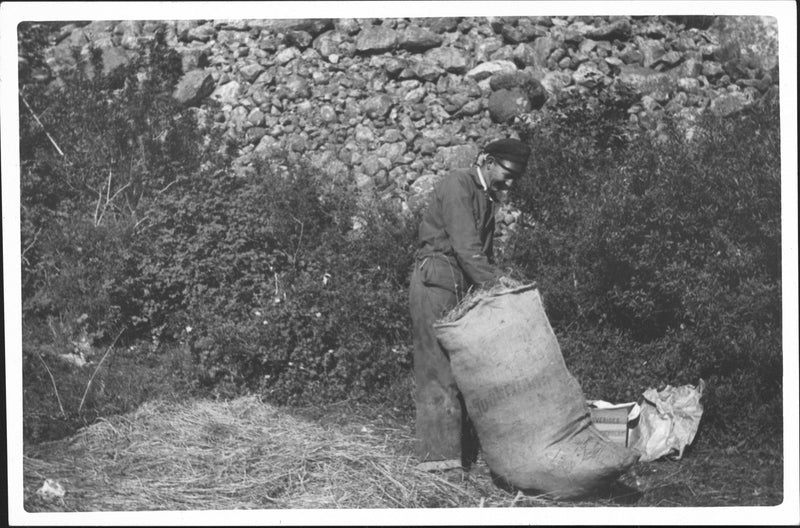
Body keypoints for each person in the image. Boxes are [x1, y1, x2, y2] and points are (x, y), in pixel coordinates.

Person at [408, 138, 531, 471]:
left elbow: (482, 255)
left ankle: (460, 452)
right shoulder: (458, 183)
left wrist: (497, 283)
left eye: (515, 177)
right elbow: (466, 248)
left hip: (461, 284)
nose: (510, 183)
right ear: (489, 162)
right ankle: (437, 461)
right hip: (436, 282)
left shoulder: (487, 198)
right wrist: (496, 284)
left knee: (465, 369)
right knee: (437, 368)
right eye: (508, 174)